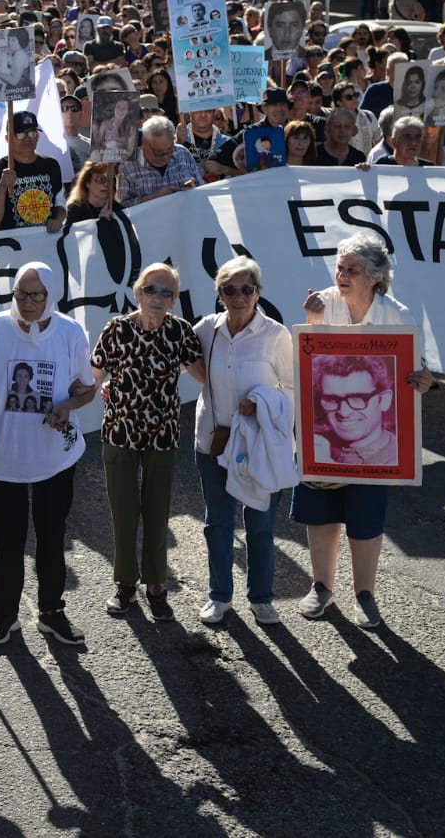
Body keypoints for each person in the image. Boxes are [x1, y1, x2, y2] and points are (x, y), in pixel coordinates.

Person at [296, 232, 435, 628]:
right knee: (321, 515)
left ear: (375, 276)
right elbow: (308, 363)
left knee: (365, 518)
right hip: (323, 438)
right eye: (339, 267)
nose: (341, 275)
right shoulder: (321, 303)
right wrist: (314, 323)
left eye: (351, 269)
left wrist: (423, 382)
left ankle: (364, 595)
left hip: (378, 447)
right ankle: (321, 586)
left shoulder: (397, 314)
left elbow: (417, 371)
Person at [0, 262, 97, 646]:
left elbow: (86, 389)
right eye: (20, 294)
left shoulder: (70, 332)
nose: (25, 302)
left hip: (55, 455)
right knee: (9, 539)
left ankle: (52, 613)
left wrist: (66, 407)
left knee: (52, 535)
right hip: (6, 454)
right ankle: (5, 616)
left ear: (50, 296)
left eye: (35, 295)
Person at [93, 263, 205, 622]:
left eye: (166, 292)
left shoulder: (180, 332)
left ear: (174, 300)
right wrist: (66, 402)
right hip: (119, 432)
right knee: (124, 512)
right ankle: (125, 584)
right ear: (138, 292)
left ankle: (156, 584)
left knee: (157, 513)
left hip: (162, 434)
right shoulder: (116, 329)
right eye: (151, 290)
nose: (158, 298)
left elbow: (207, 377)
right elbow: (91, 376)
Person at [192, 258, 295, 626]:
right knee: (217, 522)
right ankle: (220, 596)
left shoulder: (275, 334)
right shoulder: (206, 329)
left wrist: (266, 404)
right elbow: (179, 360)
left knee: (261, 524)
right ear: (219, 294)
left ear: (258, 292)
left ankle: (262, 598)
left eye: (247, 289)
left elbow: (293, 387)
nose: (239, 297)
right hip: (214, 440)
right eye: (229, 290)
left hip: (260, 444)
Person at [0, 110, 65, 231]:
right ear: (8, 138)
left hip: (47, 243)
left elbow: (60, 204)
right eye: (20, 134)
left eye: (32, 133)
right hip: (14, 246)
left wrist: (58, 220)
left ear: (38, 136)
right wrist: (2, 187)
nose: (27, 138)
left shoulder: (51, 165)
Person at [117, 116, 201, 205]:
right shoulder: (128, 166)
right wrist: (153, 198)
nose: (165, 157)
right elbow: (124, 208)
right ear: (144, 143)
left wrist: (193, 191)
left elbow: (202, 187)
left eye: (169, 150)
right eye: (159, 152)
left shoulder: (182, 153)